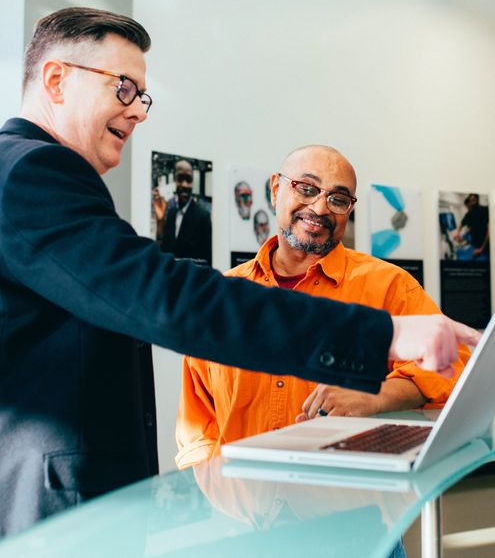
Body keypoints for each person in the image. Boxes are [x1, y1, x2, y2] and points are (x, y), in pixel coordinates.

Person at [0, 8, 477, 536]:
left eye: (143, 95)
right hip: (76, 509)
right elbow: (165, 300)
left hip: (349, 520)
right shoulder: (33, 171)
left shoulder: (387, 283)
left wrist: (378, 392)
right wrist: (383, 334)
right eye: (125, 88)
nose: (138, 111)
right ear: (56, 79)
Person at [176, 146, 471, 469]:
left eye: (338, 199)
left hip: (347, 503)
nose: (319, 208)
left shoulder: (390, 286)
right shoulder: (224, 297)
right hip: (242, 507)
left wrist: (375, 396)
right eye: (306, 188)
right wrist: (214, 495)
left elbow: (455, 367)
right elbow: (197, 425)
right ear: (276, 189)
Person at [157, 159, 212, 266]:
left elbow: (207, 261)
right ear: (174, 180)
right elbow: (163, 251)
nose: (185, 184)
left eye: (189, 179)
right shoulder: (171, 213)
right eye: (180, 178)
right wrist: (160, 222)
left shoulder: (203, 216)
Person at [454, 193, 489, 260]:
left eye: (473, 199)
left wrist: (481, 249)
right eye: (471, 200)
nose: (472, 202)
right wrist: (458, 233)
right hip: (475, 245)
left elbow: (489, 230)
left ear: (477, 199)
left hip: (484, 246)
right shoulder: (469, 214)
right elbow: (462, 224)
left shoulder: (485, 210)